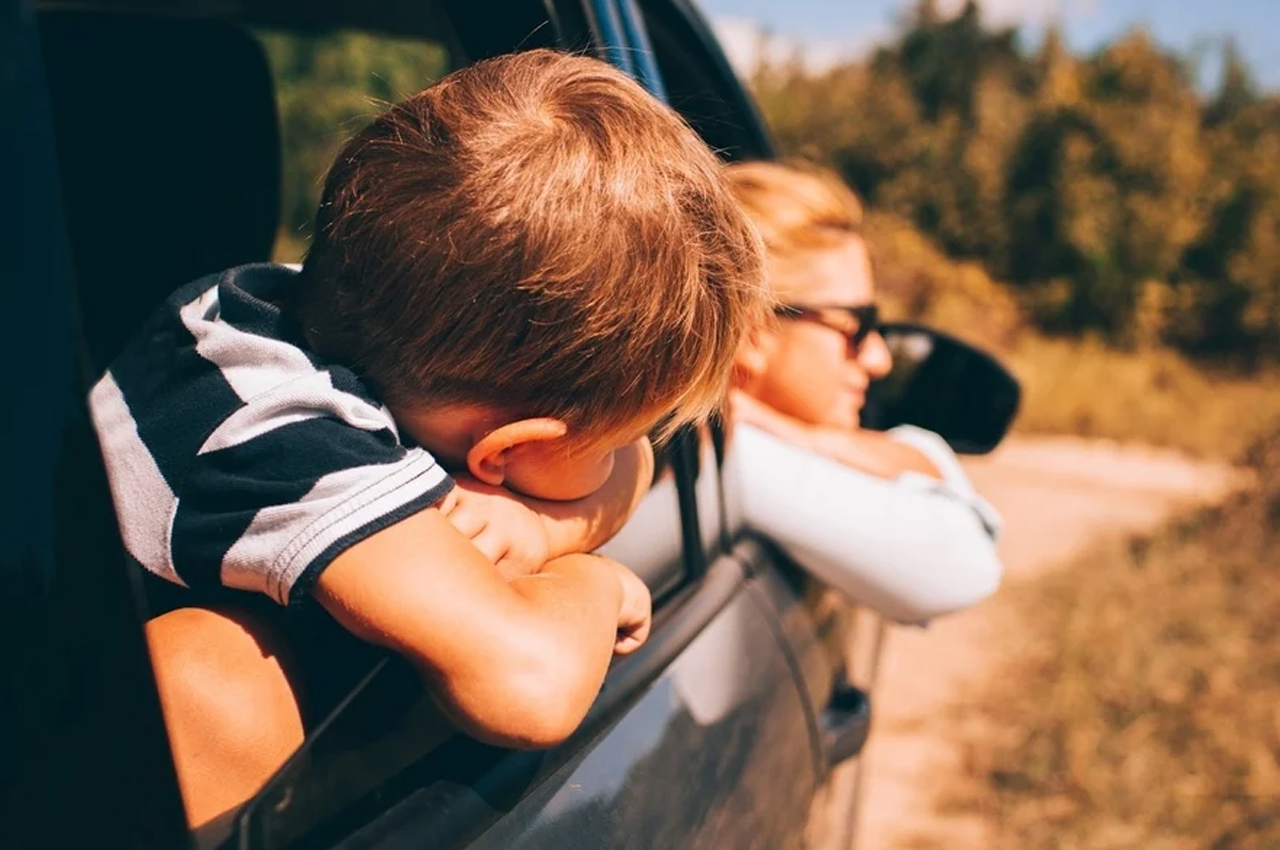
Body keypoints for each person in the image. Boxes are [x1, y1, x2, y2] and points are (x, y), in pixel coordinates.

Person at [89, 49, 767, 827]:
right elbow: (528, 688)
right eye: (614, 439)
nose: (631, 457)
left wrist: (536, 527)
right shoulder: (283, 438)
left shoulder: (326, 312)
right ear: (505, 453)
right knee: (221, 673)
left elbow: (633, 464)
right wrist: (595, 583)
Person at [722, 161, 1001, 624]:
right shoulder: (716, 456)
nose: (878, 359)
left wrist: (805, 437)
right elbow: (968, 561)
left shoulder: (724, 448)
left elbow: (922, 454)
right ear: (755, 332)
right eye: (856, 327)